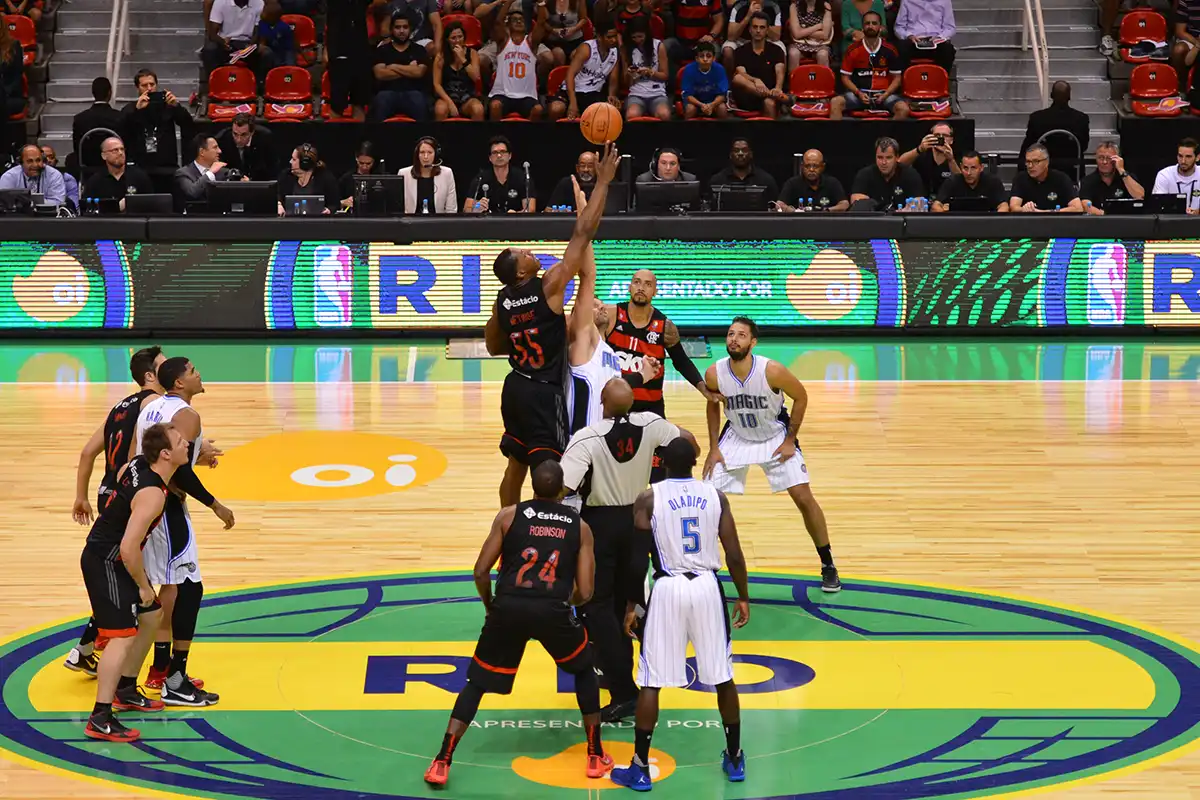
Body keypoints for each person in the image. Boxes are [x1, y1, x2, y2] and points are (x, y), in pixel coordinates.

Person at [423, 462, 610, 786]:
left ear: (533, 488)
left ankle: (442, 760)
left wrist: (490, 606)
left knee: (476, 683)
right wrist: (568, 604)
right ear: (562, 490)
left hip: (508, 607)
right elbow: (586, 590)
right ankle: (594, 755)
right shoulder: (579, 527)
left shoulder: (508, 516)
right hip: (553, 610)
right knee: (583, 670)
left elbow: (481, 571)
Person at [609, 436, 751, 790]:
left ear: (663, 464)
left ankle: (640, 766)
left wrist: (631, 605)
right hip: (706, 586)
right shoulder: (716, 496)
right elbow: (733, 552)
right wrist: (743, 595)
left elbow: (637, 558)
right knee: (722, 676)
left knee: (652, 680)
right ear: (694, 461)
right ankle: (734, 757)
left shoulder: (648, 498)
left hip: (668, 586)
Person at [483, 144, 621, 506]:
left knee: (514, 466)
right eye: (525, 254)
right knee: (549, 471)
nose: (530, 252)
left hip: (514, 386)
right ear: (522, 271)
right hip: (543, 392)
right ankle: (548, 531)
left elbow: (494, 347)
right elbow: (584, 233)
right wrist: (603, 182)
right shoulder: (549, 286)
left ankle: (508, 524)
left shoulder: (502, 302)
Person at [560, 378, 698, 722]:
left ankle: (624, 691)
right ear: (633, 402)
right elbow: (689, 445)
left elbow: (562, 486)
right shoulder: (650, 423)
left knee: (596, 605)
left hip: (601, 526)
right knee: (627, 603)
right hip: (639, 521)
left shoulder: (587, 436)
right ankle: (632, 665)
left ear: (602, 400)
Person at [703, 317, 842, 592]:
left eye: (741, 335)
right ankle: (705, 568)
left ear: (752, 342)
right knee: (707, 499)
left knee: (803, 497)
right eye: (730, 334)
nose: (734, 339)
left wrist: (791, 440)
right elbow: (713, 405)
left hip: (775, 435)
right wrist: (713, 448)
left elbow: (801, 397)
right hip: (737, 436)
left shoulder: (772, 370)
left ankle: (828, 564)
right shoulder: (714, 373)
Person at [80, 424, 190, 742]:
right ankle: (100, 716)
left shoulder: (139, 462)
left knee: (152, 614)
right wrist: (143, 586)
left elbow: (123, 473)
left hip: (111, 557)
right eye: (182, 441)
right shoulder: (153, 494)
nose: (188, 443)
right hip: (107, 562)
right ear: (166, 454)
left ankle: (126, 689)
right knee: (122, 637)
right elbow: (129, 548)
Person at [65, 347, 170, 677]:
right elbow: (144, 455)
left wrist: (81, 496)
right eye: (164, 367)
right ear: (150, 376)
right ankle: (102, 652)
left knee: (119, 576)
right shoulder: (154, 405)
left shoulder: (119, 406)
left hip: (106, 492)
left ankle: (84, 648)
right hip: (130, 493)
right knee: (129, 578)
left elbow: (86, 453)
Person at [135, 357, 235, 705]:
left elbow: (160, 456)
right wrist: (215, 504)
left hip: (146, 496)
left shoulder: (151, 407)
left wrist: (196, 457)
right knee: (187, 589)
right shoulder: (187, 415)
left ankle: (160, 670)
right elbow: (177, 473)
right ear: (179, 383)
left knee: (174, 588)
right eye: (192, 371)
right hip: (165, 506)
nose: (198, 373)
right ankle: (172, 678)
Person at [831, 11, 908, 120]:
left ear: (880, 27)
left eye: (874, 23)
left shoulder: (890, 50)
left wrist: (885, 94)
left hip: (883, 94)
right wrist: (858, 93)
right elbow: (845, 77)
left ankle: (890, 137)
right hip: (859, 94)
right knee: (835, 103)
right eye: (867, 23)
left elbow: (897, 78)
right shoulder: (853, 50)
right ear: (862, 27)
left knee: (903, 109)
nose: (870, 26)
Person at [122, 69, 194, 183]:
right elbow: (123, 129)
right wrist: (137, 110)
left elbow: (188, 124)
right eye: (144, 85)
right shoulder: (130, 109)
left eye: (152, 84)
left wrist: (177, 106)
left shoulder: (168, 106)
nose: (149, 88)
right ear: (137, 88)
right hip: (140, 166)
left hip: (167, 165)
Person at [487, 0, 548, 120]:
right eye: (514, 19)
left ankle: (529, 138)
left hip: (526, 95)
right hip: (502, 93)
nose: (519, 21)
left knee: (538, 109)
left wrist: (541, 3)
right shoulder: (503, 41)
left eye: (521, 19)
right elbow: (498, 22)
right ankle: (495, 136)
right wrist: (509, 2)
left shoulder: (530, 42)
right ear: (508, 24)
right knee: (495, 106)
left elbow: (541, 22)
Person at [548, 19, 620, 120]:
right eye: (609, 37)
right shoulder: (587, 48)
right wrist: (573, 103)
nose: (614, 40)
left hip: (593, 93)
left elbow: (613, 78)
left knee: (611, 111)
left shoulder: (616, 51)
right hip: (573, 91)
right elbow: (570, 75)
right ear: (599, 37)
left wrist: (612, 94)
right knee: (556, 109)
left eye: (615, 36)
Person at [1018, 81, 1089, 178]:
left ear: (1051, 95)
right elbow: (1083, 146)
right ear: (1069, 97)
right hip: (1072, 170)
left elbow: (1029, 146)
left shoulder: (1037, 118)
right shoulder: (1081, 119)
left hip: (1043, 169)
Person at [371, 13, 431, 121]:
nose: (401, 31)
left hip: (413, 92)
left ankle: (424, 137)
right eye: (397, 27)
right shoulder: (382, 50)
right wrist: (409, 69)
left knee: (420, 101)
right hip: (387, 93)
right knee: (380, 100)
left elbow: (418, 73)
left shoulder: (419, 50)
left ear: (410, 29)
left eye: (405, 27)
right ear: (391, 30)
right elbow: (380, 74)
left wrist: (392, 66)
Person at [203, 0, 275, 85]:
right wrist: (222, 42)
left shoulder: (258, 2)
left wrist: (250, 46)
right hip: (225, 43)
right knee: (209, 49)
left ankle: (259, 88)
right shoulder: (220, 2)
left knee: (266, 53)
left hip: (247, 44)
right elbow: (212, 34)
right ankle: (213, 86)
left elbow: (257, 30)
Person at [730, 13, 787, 118]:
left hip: (770, 95)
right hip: (748, 96)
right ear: (750, 29)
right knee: (737, 78)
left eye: (762, 27)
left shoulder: (776, 50)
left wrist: (778, 88)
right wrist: (755, 80)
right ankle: (779, 97)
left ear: (767, 30)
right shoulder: (740, 51)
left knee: (769, 103)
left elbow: (780, 71)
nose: (758, 30)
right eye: (755, 27)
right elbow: (741, 73)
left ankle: (773, 96)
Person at [849, 137, 925, 211]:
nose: (884, 162)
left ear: (897, 158)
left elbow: (918, 202)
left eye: (888, 158)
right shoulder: (865, 174)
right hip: (873, 221)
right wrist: (881, 208)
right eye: (880, 157)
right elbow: (856, 200)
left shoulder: (910, 174)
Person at [326, 0, 372, 119]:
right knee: (337, 103)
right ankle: (335, 136)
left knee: (359, 101)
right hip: (339, 52)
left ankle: (359, 136)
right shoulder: (336, 5)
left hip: (361, 53)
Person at [465, 135, 536, 213]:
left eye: (503, 152)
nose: (499, 156)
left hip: (515, 223)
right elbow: (466, 209)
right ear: (490, 158)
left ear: (510, 155)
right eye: (495, 152)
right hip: (488, 223)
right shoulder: (481, 179)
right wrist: (477, 208)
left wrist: (515, 215)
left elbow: (530, 210)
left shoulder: (522, 177)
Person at [81, 137, 155, 211]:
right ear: (104, 156)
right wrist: (116, 207)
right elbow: (87, 210)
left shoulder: (139, 177)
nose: (120, 153)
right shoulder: (95, 182)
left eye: (122, 149)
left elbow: (151, 206)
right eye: (115, 150)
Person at [433, 21, 485, 120]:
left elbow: (476, 77)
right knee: (440, 109)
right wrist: (450, 103)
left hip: (467, 98)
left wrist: (463, 59)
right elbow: (437, 84)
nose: (457, 41)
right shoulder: (441, 56)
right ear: (447, 40)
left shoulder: (472, 54)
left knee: (478, 109)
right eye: (453, 38)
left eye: (460, 37)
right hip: (447, 97)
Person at [621, 15, 670, 120]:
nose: (637, 40)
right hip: (636, 94)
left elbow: (665, 75)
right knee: (631, 115)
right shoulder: (626, 49)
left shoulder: (658, 46)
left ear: (647, 34)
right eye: (634, 37)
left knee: (664, 114)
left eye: (640, 36)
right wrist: (630, 75)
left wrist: (650, 72)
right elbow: (625, 82)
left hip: (657, 93)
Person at [1009, 143, 1082, 212]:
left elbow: (1078, 208)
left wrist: (1047, 212)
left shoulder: (1061, 178)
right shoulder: (1020, 178)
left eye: (1036, 161)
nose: (1030, 166)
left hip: (1056, 222)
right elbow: (1013, 207)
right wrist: (1024, 209)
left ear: (1047, 162)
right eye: (1028, 162)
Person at [172, 134, 234, 212]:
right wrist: (210, 173)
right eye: (215, 147)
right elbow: (192, 192)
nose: (219, 151)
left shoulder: (224, 172)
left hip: (221, 220)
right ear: (202, 152)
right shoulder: (183, 173)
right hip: (194, 220)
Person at [1079, 141, 1145, 215]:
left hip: (1126, 222)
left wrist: (1122, 170)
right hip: (1099, 221)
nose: (1104, 162)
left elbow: (1140, 196)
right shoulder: (1088, 181)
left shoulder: (1128, 178)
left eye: (1109, 158)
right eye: (1100, 157)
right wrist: (1108, 216)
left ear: (1117, 160)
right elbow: (1085, 205)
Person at [72, 77, 124, 169]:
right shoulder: (120, 117)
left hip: (88, 168)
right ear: (110, 93)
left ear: (93, 93)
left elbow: (77, 149)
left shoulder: (80, 119)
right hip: (114, 166)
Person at [932, 150, 1008, 213]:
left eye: (973, 168)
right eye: (965, 168)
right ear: (961, 167)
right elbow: (935, 206)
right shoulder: (952, 181)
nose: (969, 173)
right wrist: (944, 214)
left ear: (981, 168)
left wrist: (994, 219)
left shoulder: (993, 182)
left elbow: (1004, 206)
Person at [276, 143, 340, 215]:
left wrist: (328, 210)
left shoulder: (326, 178)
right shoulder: (286, 176)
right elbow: (277, 196)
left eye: (294, 159)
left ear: (304, 164)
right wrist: (279, 205)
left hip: (317, 223)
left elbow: (335, 204)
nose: (290, 161)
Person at [722, 0, 783, 77]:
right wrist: (748, 16)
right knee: (727, 50)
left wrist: (761, 18)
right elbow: (731, 37)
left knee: (781, 48)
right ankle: (729, 83)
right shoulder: (738, 6)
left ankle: (780, 85)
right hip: (741, 40)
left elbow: (776, 36)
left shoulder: (774, 6)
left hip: (765, 39)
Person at [775, 149, 848, 212]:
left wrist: (827, 211)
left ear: (823, 167)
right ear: (802, 166)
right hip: (799, 224)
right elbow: (779, 205)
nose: (811, 170)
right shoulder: (792, 183)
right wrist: (796, 212)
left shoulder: (832, 183)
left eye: (815, 166)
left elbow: (845, 204)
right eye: (807, 166)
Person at [898, 122, 959, 198]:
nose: (940, 138)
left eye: (945, 136)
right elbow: (899, 163)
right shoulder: (922, 154)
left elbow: (960, 182)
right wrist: (919, 149)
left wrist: (951, 160)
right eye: (937, 135)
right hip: (921, 201)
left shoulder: (957, 157)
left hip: (947, 202)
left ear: (951, 140)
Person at [399, 136, 458, 214]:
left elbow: (451, 209)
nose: (426, 157)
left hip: (438, 223)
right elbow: (399, 208)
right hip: (411, 223)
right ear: (417, 154)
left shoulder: (447, 173)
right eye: (422, 152)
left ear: (436, 154)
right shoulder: (404, 173)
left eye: (430, 153)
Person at [709, 137, 779, 201]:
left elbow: (775, 208)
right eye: (736, 150)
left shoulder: (766, 180)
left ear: (751, 154)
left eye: (744, 150)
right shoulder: (717, 180)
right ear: (730, 155)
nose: (740, 153)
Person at [894, 0, 956, 71]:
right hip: (913, 40)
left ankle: (941, 79)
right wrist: (909, 36)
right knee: (900, 48)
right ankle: (906, 79)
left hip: (936, 41)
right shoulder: (907, 1)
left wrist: (940, 37)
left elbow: (950, 28)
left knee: (948, 50)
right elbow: (899, 27)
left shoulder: (945, 1)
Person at [215, 112, 278, 181]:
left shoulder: (265, 139)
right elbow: (220, 169)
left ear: (252, 132)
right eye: (235, 134)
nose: (238, 140)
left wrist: (251, 181)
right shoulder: (223, 139)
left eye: (243, 135)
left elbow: (272, 170)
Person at [0, 144, 66, 206]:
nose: (35, 165)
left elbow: (59, 202)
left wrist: (30, 203)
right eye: (30, 161)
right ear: (21, 163)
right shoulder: (9, 177)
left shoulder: (54, 175)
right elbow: (3, 204)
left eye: (38, 160)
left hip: (47, 216)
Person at [680, 41, 729, 119]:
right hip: (695, 103)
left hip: (713, 102)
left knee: (722, 109)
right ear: (696, 58)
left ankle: (723, 131)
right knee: (690, 109)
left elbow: (722, 95)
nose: (705, 59)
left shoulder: (720, 69)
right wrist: (702, 105)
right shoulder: (689, 69)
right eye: (702, 56)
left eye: (708, 56)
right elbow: (688, 95)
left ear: (714, 58)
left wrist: (711, 105)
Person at [1151, 137, 1200, 213]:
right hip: (1171, 222)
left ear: (1197, 158)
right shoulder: (1165, 175)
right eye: (1180, 156)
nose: (1183, 161)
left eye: (1188, 157)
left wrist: (1198, 212)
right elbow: (1158, 206)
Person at [786, 0, 832, 70]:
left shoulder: (826, 6)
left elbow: (825, 35)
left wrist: (803, 30)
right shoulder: (794, 7)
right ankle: (794, 80)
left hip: (820, 44)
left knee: (823, 54)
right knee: (793, 53)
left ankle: (823, 80)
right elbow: (796, 34)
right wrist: (818, 27)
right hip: (799, 43)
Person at [339, 140, 382, 209]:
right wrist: (343, 202)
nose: (364, 167)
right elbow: (334, 203)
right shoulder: (346, 179)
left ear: (374, 161)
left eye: (368, 164)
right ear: (356, 159)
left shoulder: (380, 178)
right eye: (361, 163)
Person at [257, 0, 297, 66]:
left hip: (286, 50)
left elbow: (294, 43)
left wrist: (305, 57)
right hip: (272, 49)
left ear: (273, 17)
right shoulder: (262, 24)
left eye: (265, 13)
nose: (262, 14)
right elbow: (262, 40)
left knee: (290, 65)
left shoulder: (284, 27)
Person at [40, 146, 79, 211]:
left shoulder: (67, 178)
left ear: (56, 161)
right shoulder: (32, 178)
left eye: (51, 157)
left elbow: (74, 206)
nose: (48, 160)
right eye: (44, 158)